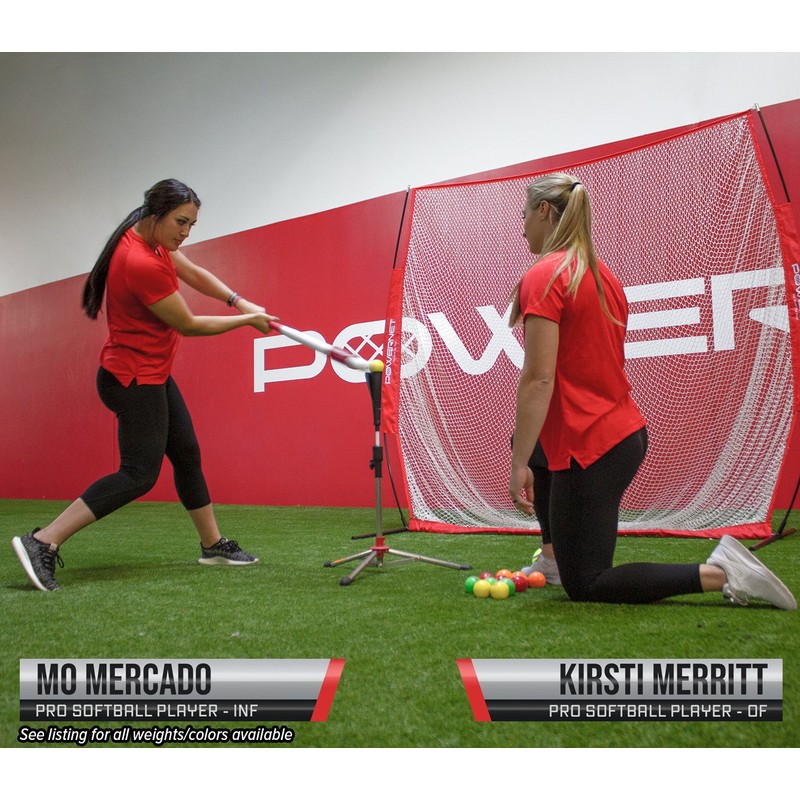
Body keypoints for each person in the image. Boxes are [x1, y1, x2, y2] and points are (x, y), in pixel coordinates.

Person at [507, 172, 795, 609]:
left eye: (524, 214)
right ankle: (552, 559)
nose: (522, 225)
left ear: (544, 211)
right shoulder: (604, 277)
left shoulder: (544, 276)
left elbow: (538, 380)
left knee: (586, 583)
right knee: (535, 454)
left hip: (592, 447)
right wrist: (528, 451)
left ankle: (723, 572)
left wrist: (518, 465)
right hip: (621, 436)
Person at [12, 179, 276, 592]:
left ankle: (213, 545)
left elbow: (193, 272)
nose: (185, 232)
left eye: (191, 224)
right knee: (138, 474)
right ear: (156, 214)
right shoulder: (140, 262)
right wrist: (247, 321)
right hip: (133, 379)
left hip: (152, 373)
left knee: (186, 453)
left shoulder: (150, 238)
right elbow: (188, 324)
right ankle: (43, 540)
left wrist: (238, 300)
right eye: (180, 222)